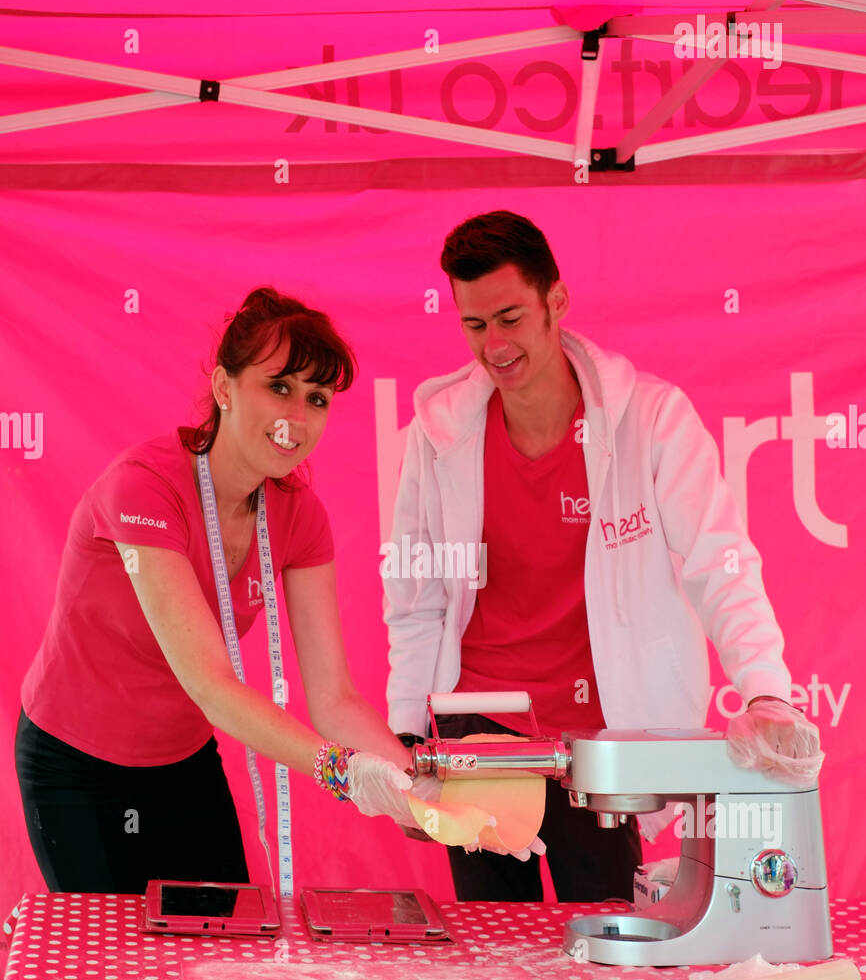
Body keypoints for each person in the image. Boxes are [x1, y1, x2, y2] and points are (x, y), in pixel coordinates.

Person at [15, 287, 522, 894]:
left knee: (223, 947)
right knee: (111, 969)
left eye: (317, 399)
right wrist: (343, 772)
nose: (298, 418)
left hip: (179, 762)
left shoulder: (298, 514)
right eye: (278, 387)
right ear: (225, 388)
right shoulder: (144, 488)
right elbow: (212, 686)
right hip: (75, 763)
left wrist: (417, 785)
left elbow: (333, 698)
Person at [383, 212, 822, 903]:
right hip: (479, 733)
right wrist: (407, 742)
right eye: (475, 326)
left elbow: (720, 559)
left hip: (600, 734)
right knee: (495, 951)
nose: (494, 346)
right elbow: (415, 600)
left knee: (613, 934)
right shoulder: (438, 435)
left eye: (509, 318)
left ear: (556, 301)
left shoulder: (652, 421)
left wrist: (766, 688)